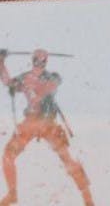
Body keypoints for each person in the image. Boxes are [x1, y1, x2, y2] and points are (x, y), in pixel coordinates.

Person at [0, 49, 93, 206]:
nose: (39, 62)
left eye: (41, 60)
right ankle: (12, 193)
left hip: (48, 123)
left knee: (68, 159)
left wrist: (35, 89)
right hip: (30, 123)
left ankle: (88, 199)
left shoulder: (51, 77)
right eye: (38, 59)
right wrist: (1, 63)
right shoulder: (26, 78)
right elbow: (8, 82)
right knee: (8, 155)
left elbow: (48, 87)